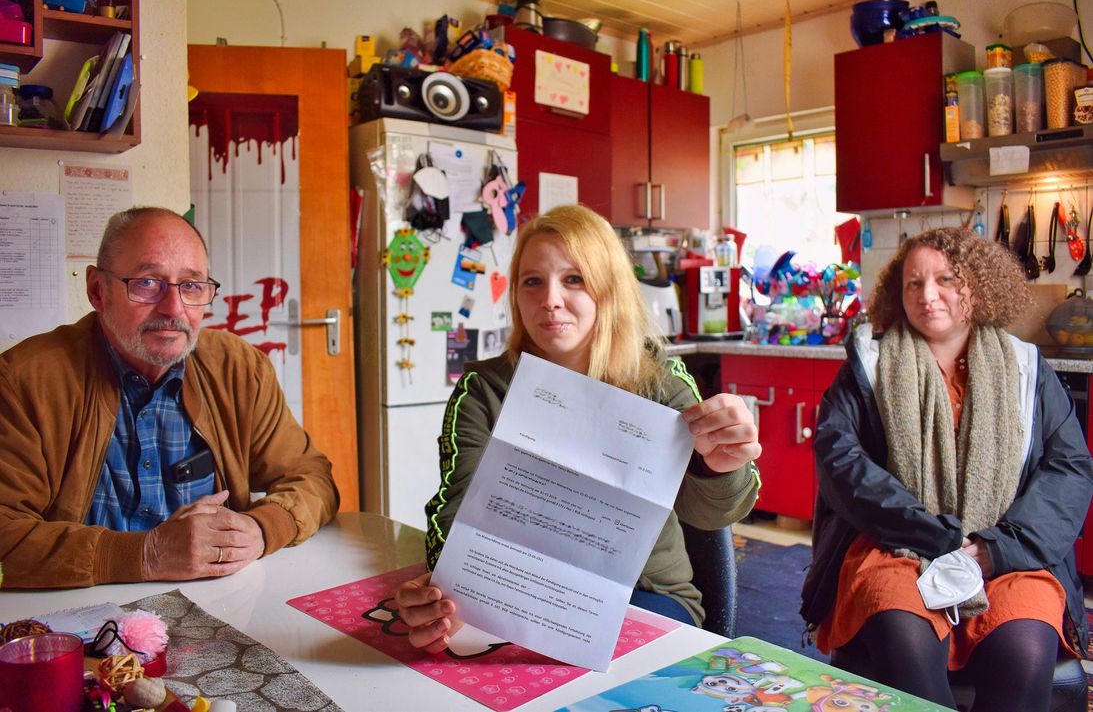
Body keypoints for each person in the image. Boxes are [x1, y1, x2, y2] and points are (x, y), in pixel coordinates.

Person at [395, 204, 762, 653]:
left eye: (574, 279)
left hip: (647, 599)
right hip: (517, 594)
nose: (550, 299)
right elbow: (455, 518)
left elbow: (713, 515)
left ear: (609, 290)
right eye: (532, 282)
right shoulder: (484, 389)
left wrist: (720, 467)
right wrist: (442, 596)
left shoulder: (660, 381)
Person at [801, 227, 1093, 710]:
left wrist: (993, 551)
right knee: (904, 647)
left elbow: (1069, 469)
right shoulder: (870, 361)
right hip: (895, 547)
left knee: (1025, 655)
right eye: (913, 283)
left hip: (1008, 554)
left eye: (946, 279)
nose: (927, 295)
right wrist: (933, 535)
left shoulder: (1024, 366)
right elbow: (841, 461)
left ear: (976, 285)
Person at [0, 207, 339, 589]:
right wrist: (143, 555)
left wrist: (261, 529)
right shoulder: (26, 380)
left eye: (192, 286)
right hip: (80, 616)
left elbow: (313, 477)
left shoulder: (240, 370)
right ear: (98, 290)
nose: (174, 309)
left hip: (218, 608)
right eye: (147, 283)